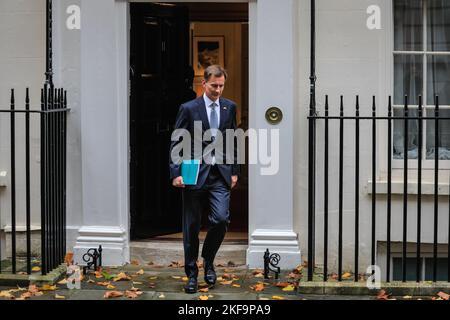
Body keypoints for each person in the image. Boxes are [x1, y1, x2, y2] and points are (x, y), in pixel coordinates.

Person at [169, 65, 240, 294]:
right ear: (204, 84)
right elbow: (176, 141)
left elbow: (232, 140)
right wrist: (176, 172)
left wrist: (235, 170)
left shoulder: (230, 107)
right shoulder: (188, 108)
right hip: (193, 174)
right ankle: (192, 274)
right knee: (190, 227)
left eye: (221, 86)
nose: (218, 90)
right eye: (214, 86)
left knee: (220, 219)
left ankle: (208, 260)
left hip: (220, 174)